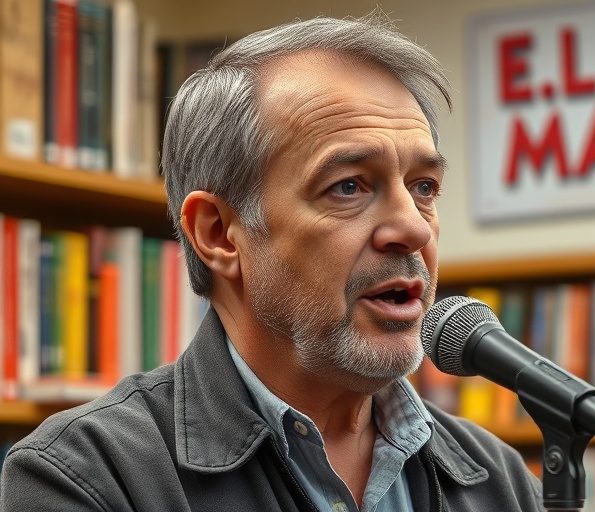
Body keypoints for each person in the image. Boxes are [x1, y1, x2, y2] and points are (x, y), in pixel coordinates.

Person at [0, 12, 544, 512]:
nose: (414, 227)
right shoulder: (85, 477)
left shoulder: (498, 481)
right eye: (349, 186)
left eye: (423, 187)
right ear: (219, 235)